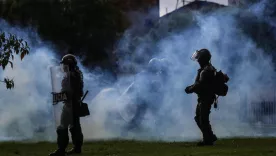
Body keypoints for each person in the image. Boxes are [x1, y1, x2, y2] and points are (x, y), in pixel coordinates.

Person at [49, 54, 84, 156]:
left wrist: (58, 97)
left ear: (69, 64)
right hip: (75, 103)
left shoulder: (70, 75)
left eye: (64, 64)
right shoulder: (77, 74)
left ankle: (61, 149)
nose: (63, 67)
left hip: (70, 104)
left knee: (62, 127)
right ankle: (77, 148)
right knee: (75, 126)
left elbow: (68, 93)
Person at [185, 49, 218, 146]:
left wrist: (190, 89)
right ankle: (209, 136)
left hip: (206, 98)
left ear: (203, 59)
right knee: (199, 117)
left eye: (199, 58)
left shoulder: (206, 70)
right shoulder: (207, 68)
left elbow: (199, 84)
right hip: (204, 97)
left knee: (203, 119)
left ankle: (207, 140)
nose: (197, 60)